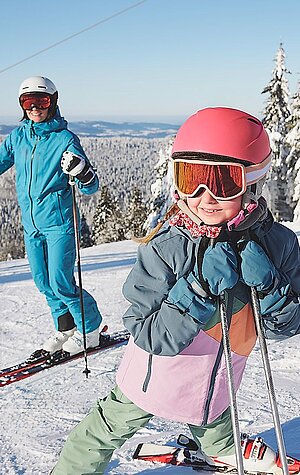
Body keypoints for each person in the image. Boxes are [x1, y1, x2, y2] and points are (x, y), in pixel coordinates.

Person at [51, 107, 300, 474]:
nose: (205, 196)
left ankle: (224, 448)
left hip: (217, 379)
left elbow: (285, 328)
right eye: (192, 178)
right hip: (155, 377)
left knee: (213, 418)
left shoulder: (277, 245)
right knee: (100, 433)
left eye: (223, 182)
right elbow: (149, 335)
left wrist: (270, 286)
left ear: (252, 183)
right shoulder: (167, 246)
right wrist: (196, 289)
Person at [0, 76, 102, 356]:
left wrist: (82, 171)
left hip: (59, 224)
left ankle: (90, 330)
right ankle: (65, 327)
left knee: (61, 281)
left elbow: (91, 186)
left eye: (41, 101)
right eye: (28, 102)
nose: (35, 107)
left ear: (53, 103)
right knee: (43, 282)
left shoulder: (65, 139)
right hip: (31, 224)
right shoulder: (19, 136)